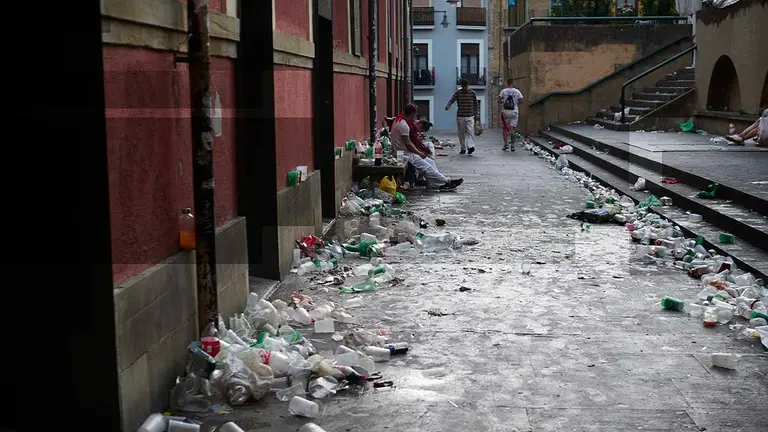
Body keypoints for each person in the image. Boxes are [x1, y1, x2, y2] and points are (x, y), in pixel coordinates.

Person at [392, 104, 463, 190]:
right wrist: (420, 153)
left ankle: (433, 183)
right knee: (426, 167)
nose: (414, 118)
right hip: (403, 154)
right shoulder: (403, 125)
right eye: (414, 116)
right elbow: (408, 144)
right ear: (412, 113)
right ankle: (447, 182)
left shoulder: (399, 120)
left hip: (404, 151)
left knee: (430, 162)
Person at [445, 79, 480, 155]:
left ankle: (470, 147)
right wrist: (448, 106)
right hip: (460, 115)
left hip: (470, 115)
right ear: (461, 86)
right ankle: (463, 148)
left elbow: (476, 104)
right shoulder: (458, 92)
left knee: (470, 131)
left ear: (468, 85)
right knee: (461, 132)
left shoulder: (472, 93)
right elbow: (452, 100)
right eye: (463, 87)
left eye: (466, 86)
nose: (465, 88)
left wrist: (477, 114)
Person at [499, 78, 524, 151]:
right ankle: (512, 145)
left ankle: (505, 144)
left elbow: (499, 100)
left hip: (505, 112)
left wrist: (504, 102)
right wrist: (515, 103)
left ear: (507, 83)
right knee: (512, 128)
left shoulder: (503, 91)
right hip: (514, 111)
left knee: (505, 128)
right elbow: (522, 100)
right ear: (513, 83)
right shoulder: (517, 91)